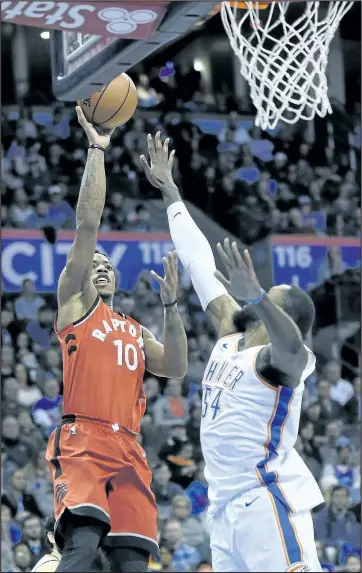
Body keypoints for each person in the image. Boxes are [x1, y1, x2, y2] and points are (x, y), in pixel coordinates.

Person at [141, 132, 325, 572]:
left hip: (265, 500)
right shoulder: (230, 330)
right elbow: (197, 260)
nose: (249, 298)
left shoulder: (285, 361)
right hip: (223, 511)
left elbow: (290, 345)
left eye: (268, 296)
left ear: (282, 314)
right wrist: (171, 192)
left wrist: (258, 294)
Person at [45, 109, 188, 573]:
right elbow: (88, 224)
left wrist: (170, 309)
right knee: (82, 549)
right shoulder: (75, 305)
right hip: (83, 438)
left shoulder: (132, 327)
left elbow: (175, 367)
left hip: (129, 447)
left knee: (132, 563)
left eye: (109, 263)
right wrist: (97, 150)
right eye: (95, 261)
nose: (101, 265)